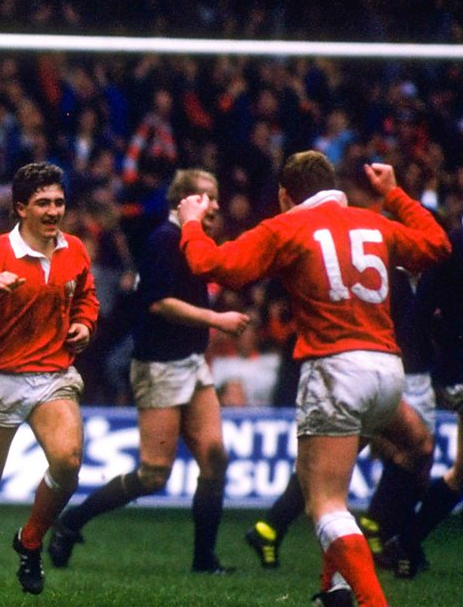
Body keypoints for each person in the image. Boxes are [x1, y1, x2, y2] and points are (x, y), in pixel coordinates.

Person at [176, 151, 449, 607]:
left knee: (324, 503)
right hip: (387, 369)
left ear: (286, 195)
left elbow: (214, 266)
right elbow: (437, 245)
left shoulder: (286, 227)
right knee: (414, 446)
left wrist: (190, 224)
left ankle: (371, 601)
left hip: (335, 371)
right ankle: (333, 590)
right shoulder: (373, 222)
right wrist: (394, 194)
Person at [48, 169, 249, 574]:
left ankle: (204, 561)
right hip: (159, 366)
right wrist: (217, 319)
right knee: (154, 474)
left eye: (215, 197)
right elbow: (158, 302)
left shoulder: (193, 240)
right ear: (182, 201)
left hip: (191, 362)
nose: (214, 205)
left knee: (215, 457)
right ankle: (71, 522)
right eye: (205, 197)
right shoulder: (165, 240)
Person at [0, 163, 98, 603]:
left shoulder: (74, 250)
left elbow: (86, 296)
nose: (53, 211)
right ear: (21, 208)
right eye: (43, 203)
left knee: (68, 462)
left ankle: (29, 542)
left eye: (59, 202)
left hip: (52, 375)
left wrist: (84, 324)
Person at [382, 224, 463, 579]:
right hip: (456, 370)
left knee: (461, 475)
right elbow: (419, 313)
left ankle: (405, 541)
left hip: (451, 368)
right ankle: (402, 538)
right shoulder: (454, 245)